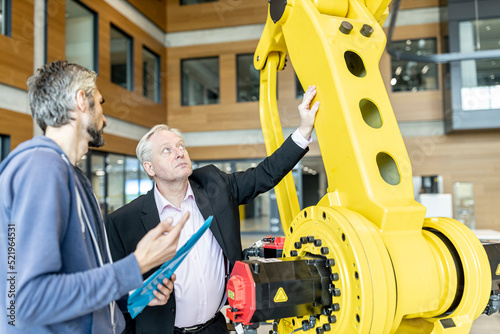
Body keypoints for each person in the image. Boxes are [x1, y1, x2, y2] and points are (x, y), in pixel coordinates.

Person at [105, 85, 321, 334]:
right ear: (149, 168)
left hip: (215, 327)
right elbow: (114, 294)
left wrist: (304, 129)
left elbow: (265, 174)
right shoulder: (123, 222)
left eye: (180, 146)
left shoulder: (214, 184)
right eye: (167, 150)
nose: (179, 153)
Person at [0, 60, 189, 334]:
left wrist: (134, 292)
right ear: (81, 101)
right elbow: (26, 300)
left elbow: (76, 288)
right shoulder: (41, 168)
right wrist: (137, 264)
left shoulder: (71, 176)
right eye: (99, 102)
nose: (105, 118)